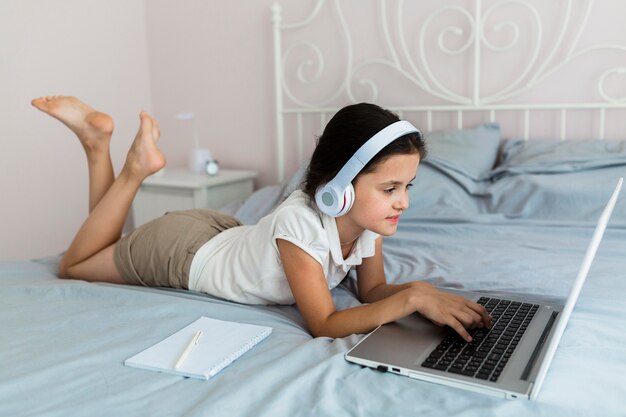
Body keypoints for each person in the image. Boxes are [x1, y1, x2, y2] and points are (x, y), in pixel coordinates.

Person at [32, 96, 491, 341]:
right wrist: (407, 304)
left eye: (406, 187)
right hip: (184, 254)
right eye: (389, 189)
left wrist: (424, 293)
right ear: (340, 189)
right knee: (75, 266)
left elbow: (371, 291)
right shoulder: (300, 224)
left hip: (221, 236)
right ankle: (132, 168)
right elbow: (324, 324)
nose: (402, 203)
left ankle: (96, 143)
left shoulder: (366, 224)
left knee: (100, 250)